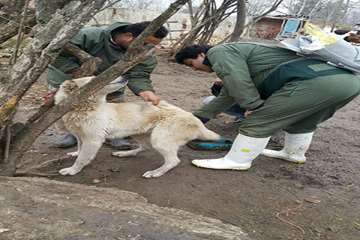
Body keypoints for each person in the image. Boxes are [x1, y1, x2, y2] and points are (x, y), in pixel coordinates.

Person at [175, 43, 360, 170]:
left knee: (259, 120)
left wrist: (254, 106)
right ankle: (293, 154)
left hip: (316, 82)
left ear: (201, 55)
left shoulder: (219, 52)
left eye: (192, 64)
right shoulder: (243, 53)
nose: (194, 69)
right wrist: (195, 120)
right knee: (303, 121)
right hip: (348, 81)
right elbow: (228, 94)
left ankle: (237, 161)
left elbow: (236, 80)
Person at [47, 21, 168, 148]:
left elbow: (139, 74)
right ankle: (74, 134)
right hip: (74, 79)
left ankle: (113, 134)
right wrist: (79, 72)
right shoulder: (90, 36)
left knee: (113, 106)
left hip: (111, 84)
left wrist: (145, 90)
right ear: (128, 36)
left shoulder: (145, 52)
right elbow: (58, 54)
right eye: (145, 43)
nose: (147, 48)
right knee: (72, 108)